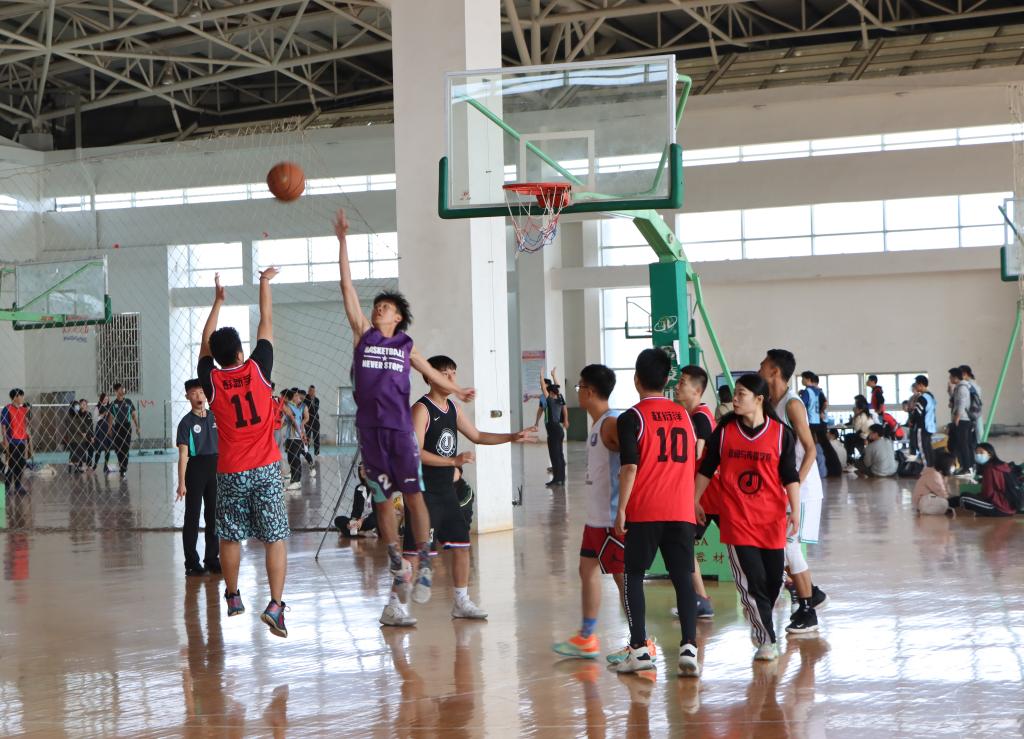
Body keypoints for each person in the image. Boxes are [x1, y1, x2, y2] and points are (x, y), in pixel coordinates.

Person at [336, 208, 475, 628]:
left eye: (385, 307)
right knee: (382, 499)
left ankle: (425, 558)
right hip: (370, 432)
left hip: (398, 431)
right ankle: (397, 559)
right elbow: (346, 287)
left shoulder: (406, 346)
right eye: (377, 305)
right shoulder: (363, 335)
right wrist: (342, 241)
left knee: (413, 496)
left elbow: (431, 372)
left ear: (397, 317)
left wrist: (457, 391)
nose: (378, 309)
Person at [404, 355, 533, 619]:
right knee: (414, 553)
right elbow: (415, 453)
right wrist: (452, 461)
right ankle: (396, 605)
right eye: (445, 374)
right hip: (424, 493)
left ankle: (461, 601)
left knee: (461, 546)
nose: (452, 379)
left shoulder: (453, 408)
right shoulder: (421, 409)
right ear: (430, 377)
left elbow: (477, 435)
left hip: (447, 492)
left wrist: (511, 436)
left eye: (454, 373)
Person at [199, 268, 291, 638]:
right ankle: (275, 606)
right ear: (241, 352)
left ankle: (234, 596)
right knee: (274, 537)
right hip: (266, 467)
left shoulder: (212, 381)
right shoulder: (259, 368)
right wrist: (264, 282)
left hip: (231, 470)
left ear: (216, 357)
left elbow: (205, 344)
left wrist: (217, 302)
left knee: (230, 536)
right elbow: (266, 320)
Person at [695, 374, 801, 662]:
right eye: (735, 393)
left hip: (772, 520)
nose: (735, 399)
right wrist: (694, 500)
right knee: (752, 582)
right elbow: (706, 469)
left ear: (759, 399)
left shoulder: (780, 434)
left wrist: (795, 510)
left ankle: (760, 619)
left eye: (741, 394)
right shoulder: (724, 432)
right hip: (737, 520)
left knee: (773, 581)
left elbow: (790, 475)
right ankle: (766, 639)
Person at [610, 348, 700, 678]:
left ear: (636, 379)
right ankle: (689, 647)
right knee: (683, 579)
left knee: (633, 575)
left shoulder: (631, 418)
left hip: (646, 510)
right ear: (667, 381)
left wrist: (621, 509)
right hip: (681, 510)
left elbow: (630, 466)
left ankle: (639, 649)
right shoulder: (685, 417)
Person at [553, 364, 644, 660]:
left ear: (590, 391)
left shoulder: (611, 423)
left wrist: (625, 508)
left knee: (622, 579)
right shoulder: (598, 424)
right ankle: (587, 637)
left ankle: (642, 641)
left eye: (579, 387)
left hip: (611, 520)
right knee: (587, 569)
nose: (578, 392)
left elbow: (636, 460)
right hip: (595, 519)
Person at [760, 349, 826, 634]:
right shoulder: (769, 403)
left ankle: (808, 610)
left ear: (775, 371)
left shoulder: (792, 404)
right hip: (784, 488)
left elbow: (810, 449)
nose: (759, 368)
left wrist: (795, 485)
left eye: (763, 365)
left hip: (803, 489)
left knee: (789, 547)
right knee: (781, 546)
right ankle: (812, 592)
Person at [672, 364, 717, 620]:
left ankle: (795, 585)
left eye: (683, 382)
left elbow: (699, 449)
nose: (677, 386)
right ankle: (701, 600)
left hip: (711, 496)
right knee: (683, 545)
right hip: (702, 496)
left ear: (697, 390)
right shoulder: (689, 416)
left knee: (746, 550)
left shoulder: (700, 416)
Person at [175, 378, 220, 577]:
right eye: (193, 393)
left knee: (213, 516)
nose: (198, 396)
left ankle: (212, 559)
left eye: (201, 392)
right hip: (195, 469)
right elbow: (183, 455)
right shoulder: (186, 423)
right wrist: (181, 483)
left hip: (215, 468)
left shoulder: (215, 417)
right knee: (192, 516)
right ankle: (192, 563)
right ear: (188, 397)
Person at [950, 443, 1016, 517]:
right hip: (1008, 506)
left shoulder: (990, 469)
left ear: (990, 454)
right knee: (966, 497)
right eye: (976, 453)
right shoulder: (1002, 466)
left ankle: (948, 506)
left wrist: (978, 497)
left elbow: (988, 493)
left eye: (981, 452)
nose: (978, 455)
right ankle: (948, 504)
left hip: (999, 507)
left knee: (964, 497)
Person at [535, 369, 568, 487]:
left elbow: (545, 388)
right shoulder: (559, 399)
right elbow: (557, 387)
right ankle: (560, 478)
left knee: (554, 455)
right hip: (558, 430)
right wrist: (554, 375)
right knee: (559, 454)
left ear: (550, 393)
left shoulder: (550, 401)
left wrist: (541, 375)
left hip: (553, 430)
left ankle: (557, 479)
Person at [108, 383, 140, 480]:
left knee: (125, 448)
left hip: (126, 427)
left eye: (123, 388)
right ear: (116, 391)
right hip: (117, 427)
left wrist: (137, 426)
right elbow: (111, 417)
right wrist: (110, 428)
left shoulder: (128, 402)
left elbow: (133, 415)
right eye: (121, 388)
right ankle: (121, 464)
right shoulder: (113, 404)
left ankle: (123, 469)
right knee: (118, 448)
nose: (123, 390)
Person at [2, 389, 31, 493]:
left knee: (20, 464)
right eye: (21, 396)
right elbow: (3, 426)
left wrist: (26, 442)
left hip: (21, 441)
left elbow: (25, 425)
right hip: (12, 441)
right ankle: (7, 486)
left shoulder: (23, 410)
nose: (22, 398)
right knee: (12, 464)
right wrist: (5, 440)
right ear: (15, 397)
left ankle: (18, 486)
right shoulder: (7, 409)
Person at [281, 388, 309, 490]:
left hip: (295, 437)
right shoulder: (294, 407)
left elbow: (294, 421)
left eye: (282, 396)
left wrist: (301, 433)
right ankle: (295, 480)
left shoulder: (289, 407)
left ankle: (296, 481)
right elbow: (287, 421)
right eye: (296, 395)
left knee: (294, 459)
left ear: (286, 397)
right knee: (292, 459)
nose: (298, 397)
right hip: (293, 437)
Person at [948, 367, 973, 476]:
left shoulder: (962, 388)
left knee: (963, 445)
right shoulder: (958, 387)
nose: (949, 379)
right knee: (957, 444)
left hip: (963, 420)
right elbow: (956, 402)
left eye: (950, 377)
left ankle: (967, 468)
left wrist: (957, 416)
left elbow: (962, 403)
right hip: (960, 419)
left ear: (955, 377)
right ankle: (963, 466)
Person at [907, 376, 937, 467]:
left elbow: (918, 413)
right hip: (930, 426)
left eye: (916, 384)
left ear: (921, 385)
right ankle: (931, 467)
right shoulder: (931, 396)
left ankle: (926, 468)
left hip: (922, 426)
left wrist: (912, 421)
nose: (915, 386)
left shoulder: (922, 398)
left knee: (922, 448)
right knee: (928, 448)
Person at [65, 399, 93, 473]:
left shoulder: (79, 415)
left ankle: (79, 468)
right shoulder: (69, 416)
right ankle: (72, 468)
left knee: (82, 454)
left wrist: (85, 432)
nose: (78, 407)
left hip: (81, 438)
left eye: (78, 406)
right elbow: (74, 427)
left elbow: (83, 424)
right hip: (74, 438)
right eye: (76, 406)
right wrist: (81, 433)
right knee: (74, 454)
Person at [959, 365, 983, 450]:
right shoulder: (972, 384)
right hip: (974, 413)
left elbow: (966, 402)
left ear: (965, 374)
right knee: (977, 435)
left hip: (972, 414)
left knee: (975, 437)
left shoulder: (969, 385)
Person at [844, 395, 874, 462]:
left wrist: (855, 415)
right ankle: (849, 455)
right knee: (850, 437)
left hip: (864, 437)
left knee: (848, 437)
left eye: (855, 405)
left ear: (860, 408)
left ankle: (848, 456)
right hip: (868, 435)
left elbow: (856, 428)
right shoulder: (867, 415)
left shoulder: (860, 416)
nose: (854, 407)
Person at [92, 392, 113, 473]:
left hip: (108, 429)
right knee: (99, 449)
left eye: (107, 399)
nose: (106, 400)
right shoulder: (97, 407)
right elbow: (95, 419)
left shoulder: (109, 407)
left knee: (108, 449)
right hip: (100, 430)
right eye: (104, 399)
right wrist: (103, 415)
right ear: (101, 399)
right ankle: (95, 465)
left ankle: (106, 466)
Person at [304, 385, 321, 457]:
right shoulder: (305, 399)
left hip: (315, 421)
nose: (312, 392)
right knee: (307, 437)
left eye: (313, 391)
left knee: (316, 437)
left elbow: (315, 410)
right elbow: (307, 410)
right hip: (307, 421)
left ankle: (317, 453)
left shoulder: (317, 400)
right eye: (311, 391)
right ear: (308, 391)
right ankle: (306, 452)